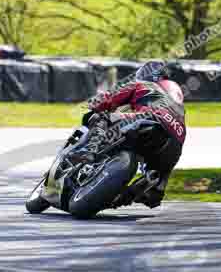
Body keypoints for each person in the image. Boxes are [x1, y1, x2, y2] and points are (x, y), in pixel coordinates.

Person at [80, 61, 186, 208]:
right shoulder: (175, 95)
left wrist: (94, 104)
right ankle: (148, 190)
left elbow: (111, 99)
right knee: (157, 181)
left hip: (149, 119)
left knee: (102, 118)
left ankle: (87, 154)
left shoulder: (143, 85)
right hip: (176, 140)